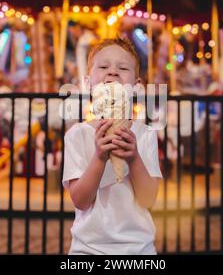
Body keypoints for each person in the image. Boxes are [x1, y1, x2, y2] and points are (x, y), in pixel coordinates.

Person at [62, 37, 163, 255]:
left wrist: (134, 158)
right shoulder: (77, 136)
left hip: (139, 248)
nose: (113, 72)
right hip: (87, 249)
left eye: (123, 68)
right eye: (104, 66)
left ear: (136, 86)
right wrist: (99, 158)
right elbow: (80, 200)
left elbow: (148, 199)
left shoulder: (145, 135)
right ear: (88, 83)